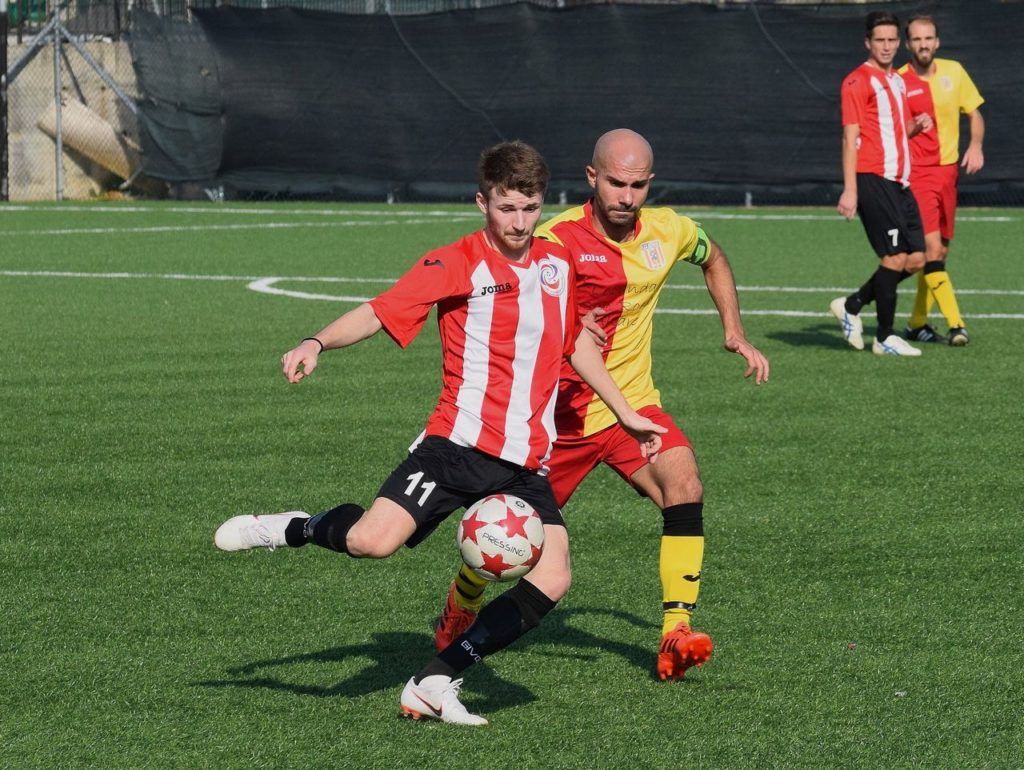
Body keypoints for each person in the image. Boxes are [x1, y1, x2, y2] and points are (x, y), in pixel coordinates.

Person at [213, 141, 666, 727]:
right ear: (483, 203)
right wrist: (315, 341)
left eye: (530, 208)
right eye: (507, 208)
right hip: (455, 447)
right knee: (371, 543)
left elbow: (573, 341)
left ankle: (436, 677)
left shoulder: (556, 264)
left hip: (525, 461)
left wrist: (625, 410)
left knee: (555, 575)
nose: (520, 222)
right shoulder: (456, 263)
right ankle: (289, 528)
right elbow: (380, 310)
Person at [433, 129, 770, 681]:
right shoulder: (556, 238)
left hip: (632, 410)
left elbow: (714, 258)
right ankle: (462, 601)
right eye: (616, 182)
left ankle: (675, 632)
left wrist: (734, 331)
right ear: (592, 178)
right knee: (503, 537)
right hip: (559, 421)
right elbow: (511, 304)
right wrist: (566, 326)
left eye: (638, 185)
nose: (627, 195)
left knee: (684, 484)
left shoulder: (670, 230)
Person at [831, 11, 930, 357]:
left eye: (891, 40)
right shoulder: (857, 81)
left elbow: (897, 131)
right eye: (880, 41)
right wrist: (850, 189)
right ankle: (884, 337)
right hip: (873, 177)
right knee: (894, 257)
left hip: (901, 180)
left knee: (918, 258)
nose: (886, 47)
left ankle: (852, 305)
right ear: (868, 43)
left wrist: (917, 126)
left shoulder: (898, 80)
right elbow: (850, 137)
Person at [898, 15, 984, 347]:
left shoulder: (954, 71)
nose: (923, 44)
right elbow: (891, 132)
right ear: (909, 44)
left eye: (928, 38)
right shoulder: (899, 80)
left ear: (937, 42)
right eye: (917, 39)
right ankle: (957, 325)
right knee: (932, 249)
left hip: (948, 174)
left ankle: (916, 323)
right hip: (918, 175)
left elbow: (974, 112)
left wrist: (975, 145)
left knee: (939, 253)